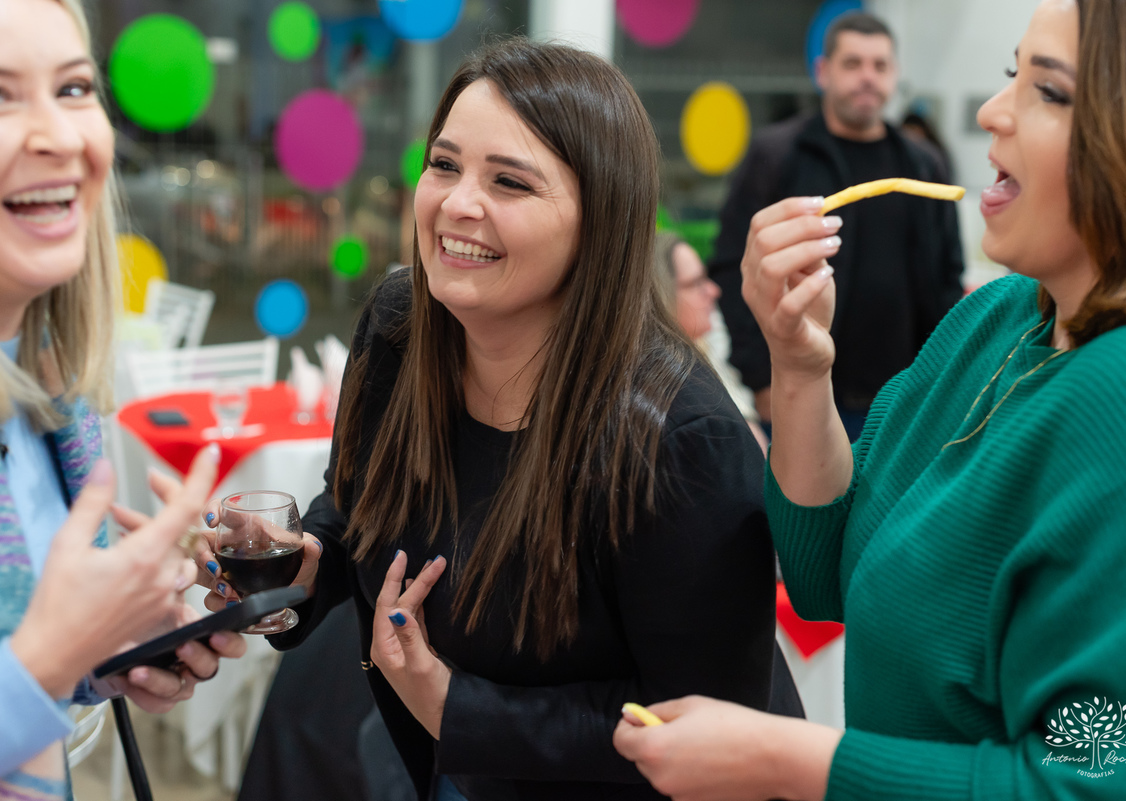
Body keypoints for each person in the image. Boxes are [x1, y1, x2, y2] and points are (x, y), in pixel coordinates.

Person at [613, 0, 1126, 798]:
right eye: (1010, 78)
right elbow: (822, 569)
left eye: (1050, 94)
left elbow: (1097, 780)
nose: (994, 113)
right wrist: (798, 364)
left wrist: (786, 760)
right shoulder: (996, 318)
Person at [195, 37, 801, 801]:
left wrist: (457, 709)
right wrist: (304, 561)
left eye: (509, 182)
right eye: (444, 165)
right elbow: (356, 504)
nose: (455, 203)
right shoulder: (400, 327)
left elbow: (708, 729)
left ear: (601, 219)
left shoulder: (679, 436)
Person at [0, 1, 244, 797]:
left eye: (73, 90)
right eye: (0, 97)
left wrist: (112, 646)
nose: (58, 136)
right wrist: (50, 656)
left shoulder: (51, 400)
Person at [707, 11, 964, 440]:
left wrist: (944, 377)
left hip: (908, 400)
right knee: (801, 508)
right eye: (853, 63)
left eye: (880, 65)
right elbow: (734, 265)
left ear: (894, 74)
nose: (867, 77)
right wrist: (762, 378)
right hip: (807, 393)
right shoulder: (778, 155)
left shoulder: (923, 164)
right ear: (823, 72)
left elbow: (947, 277)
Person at [654, 232, 766, 451]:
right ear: (660, 297)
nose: (714, 291)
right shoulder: (671, 392)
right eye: (695, 283)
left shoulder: (704, 347)